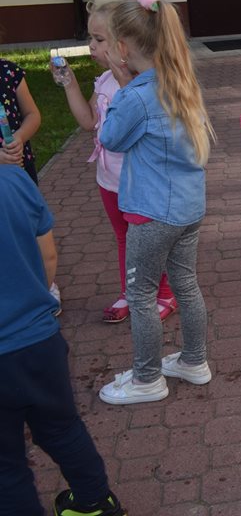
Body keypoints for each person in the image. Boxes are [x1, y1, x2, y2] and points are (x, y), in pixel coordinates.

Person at [96, 0, 215, 405]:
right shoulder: (180, 82)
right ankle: (194, 361)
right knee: (186, 284)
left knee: (141, 294)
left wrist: (121, 86)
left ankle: (147, 378)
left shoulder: (136, 95)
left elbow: (110, 138)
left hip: (151, 215)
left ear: (122, 48)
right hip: (188, 209)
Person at [0, 164, 126, 516]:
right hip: (38, 340)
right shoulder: (14, 179)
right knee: (62, 428)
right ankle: (96, 503)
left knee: (6, 466)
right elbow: (48, 255)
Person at [56, 2, 179, 324]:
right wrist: (70, 84)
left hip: (141, 183)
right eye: (90, 38)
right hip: (109, 180)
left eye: (99, 39)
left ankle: (165, 292)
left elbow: (139, 123)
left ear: (124, 45)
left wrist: (124, 82)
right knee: (124, 238)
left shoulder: (149, 84)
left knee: (150, 242)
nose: (91, 46)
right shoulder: (103, 81)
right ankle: (130, 291)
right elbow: (89, 122)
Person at [0, 56, 61, 306]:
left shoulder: (8, 72)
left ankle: (43, 280)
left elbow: (32, 114)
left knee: (27, 223)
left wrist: (19, 138)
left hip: (20, 168)